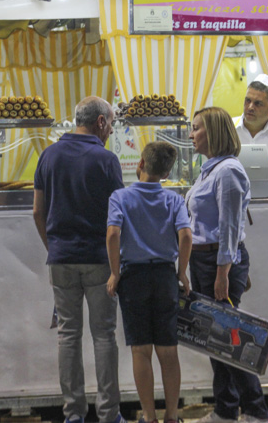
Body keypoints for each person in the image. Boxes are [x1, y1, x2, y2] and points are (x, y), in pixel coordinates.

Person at [32, 96, 125, 423]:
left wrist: (53, 247)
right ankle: (109, 414)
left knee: (68, 335)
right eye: (111, 123)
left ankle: (73, 415)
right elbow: (118, 216)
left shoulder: (48, 156)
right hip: (100, 260)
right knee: (104, 335)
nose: (111, 130)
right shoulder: (107, 160)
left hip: (61, 260)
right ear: (100, 122)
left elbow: (37, 212)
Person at [186, 107, 268, 423]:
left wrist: (222, 272)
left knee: (229, 339)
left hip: (220, 262)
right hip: (203, 260)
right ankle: (226, 408)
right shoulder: (209, 169)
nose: (192, 135)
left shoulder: (228, 172)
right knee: (214, 338)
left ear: (214, 132)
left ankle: (255, 410)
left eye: (196, 129)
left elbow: (230, 228)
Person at [106, 141, 193, 423]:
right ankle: (171, 416)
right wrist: (181, 272)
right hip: (165, 277)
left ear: (140, 164)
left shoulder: (120, 197)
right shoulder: (174, 200)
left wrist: (115, 273)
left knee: (141, 350)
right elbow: (186, 236)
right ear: (166, 174)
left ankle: (149, 416)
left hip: (133, 278)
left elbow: (112, 234)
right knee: (168, 351)